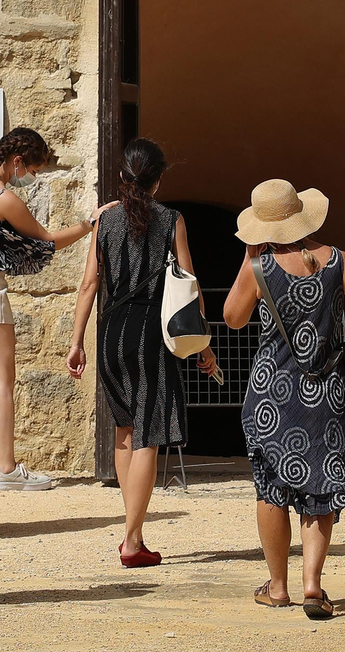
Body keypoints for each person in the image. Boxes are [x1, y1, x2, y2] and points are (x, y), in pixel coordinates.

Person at [222, 179, 345, 619]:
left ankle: (277, 586)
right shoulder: (341, 262)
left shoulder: (259, 267)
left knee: (271, 486)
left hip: (271, 395)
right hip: (327, 393)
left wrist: (249, 257)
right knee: (322, 486)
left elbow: (233, 318)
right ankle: (313, 585)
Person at [67, 138, 216, 567]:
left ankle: (132, 531)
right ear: (159, 179)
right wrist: (202, 344)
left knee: (125, 430)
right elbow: (188, 285)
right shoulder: (172, 220)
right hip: (152, 334)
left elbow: (89, 285)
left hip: (112, 332)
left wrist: (77, 341)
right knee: (149, 432)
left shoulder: (105, 222)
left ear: (121, 177)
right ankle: (132, 540)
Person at [0, 127, 109, 491]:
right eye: (31, 170)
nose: (30, 177)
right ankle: (6, 468)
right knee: (1, 379)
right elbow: (47, 242)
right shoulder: (3, 198)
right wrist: (88, 224)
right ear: (17, 161)